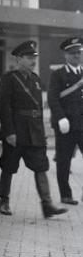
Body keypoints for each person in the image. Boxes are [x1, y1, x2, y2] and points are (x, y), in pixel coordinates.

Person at [0, 41, 67, 218]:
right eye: (29, 58)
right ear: (19, 58)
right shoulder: (9, 79)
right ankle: (4, 202)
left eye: (34, 58)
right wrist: (9, 131)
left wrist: (41, 132)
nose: (33, 61)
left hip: (35, 132)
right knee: (8, 166)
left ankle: (47, 204)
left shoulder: (36, 80)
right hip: (16, 129)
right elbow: (3, 107)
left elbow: (38, 109)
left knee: (41, 166)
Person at [48, 37, 83, 205]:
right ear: (66, 55)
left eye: (79, 52)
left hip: (82, 124)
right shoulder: (58, 74)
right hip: (66, 125)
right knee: (64, 160)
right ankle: (65, 194)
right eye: (73, 53)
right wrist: (61, 118)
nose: (77, 56)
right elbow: (53, 99)